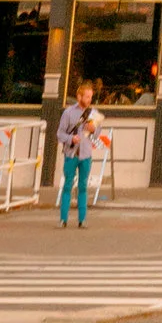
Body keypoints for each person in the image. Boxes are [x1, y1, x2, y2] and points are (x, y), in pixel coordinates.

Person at [56, 84, 103, 225]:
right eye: (87, 96)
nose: (89, 99)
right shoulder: (69, 113)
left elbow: (97, 135)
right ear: (79, 96)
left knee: (83, 186)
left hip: (86, 154)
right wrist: (71, 139)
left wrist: (93, 129)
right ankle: (63, 219)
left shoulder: (94, 113)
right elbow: (60, 134)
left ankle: (82, 219)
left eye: (91, 97)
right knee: (67, 186)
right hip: (71, 154)